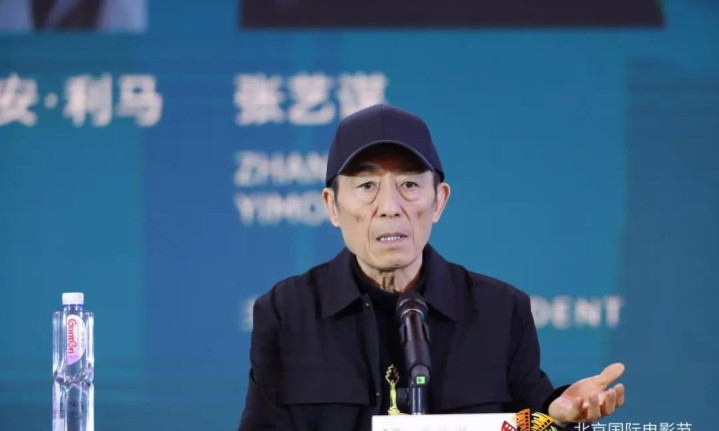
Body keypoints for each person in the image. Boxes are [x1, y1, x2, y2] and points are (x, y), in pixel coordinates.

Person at [238, 104, 625, 431]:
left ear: (439, 201)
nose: (390, 207)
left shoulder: (501, 310)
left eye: (409, 185)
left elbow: (530, 422)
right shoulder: (286, 312)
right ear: (332, 206)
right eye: (367, 186)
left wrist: (558, 419)